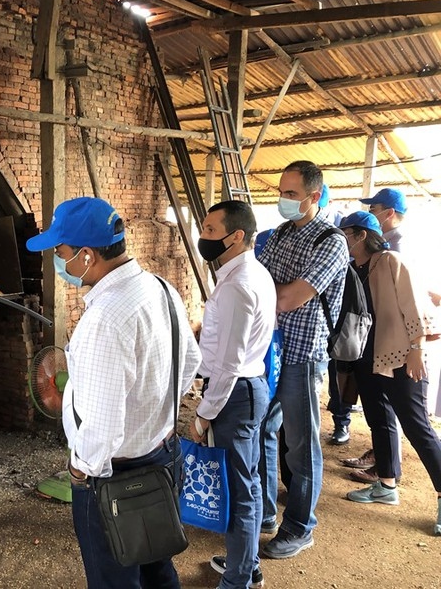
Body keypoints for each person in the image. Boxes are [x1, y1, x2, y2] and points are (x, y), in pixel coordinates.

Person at [25, 196, 201, 588]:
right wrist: (155, 416)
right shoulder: (160, 288)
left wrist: (80, 469)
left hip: (115, 475)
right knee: (157, 565)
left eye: (61, 252)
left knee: (114, 579)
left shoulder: (105, 317)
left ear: (86, 256)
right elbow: (189, 362)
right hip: (164, 455)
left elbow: (102, 424)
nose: (58, 260)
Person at [257, 161, 348, 559]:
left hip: (303, 355)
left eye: (291, 194)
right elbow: (258, 288)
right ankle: (262, 512)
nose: (283, 200)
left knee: (300, 444)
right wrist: (267, 290)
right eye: (281, 191)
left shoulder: (331, 241)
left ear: (314, 196)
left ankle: (299, 526)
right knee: (260, 428)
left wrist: (269, 290)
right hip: (270, 352)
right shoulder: (278, 234)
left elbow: (286, 297)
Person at [337, 212, 441, 536]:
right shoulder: (354, 269)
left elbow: (414, 305)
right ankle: (386, 484)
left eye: (345, 234)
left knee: (417, 426)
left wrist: (417, 349)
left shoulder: (390, 261)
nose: (342, 240)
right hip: (367, 358)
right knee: (379, 420)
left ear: (360, 235)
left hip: (399, 356)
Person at [192, 201, 276, 589]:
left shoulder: (238, 286)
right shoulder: (249, 273)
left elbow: (228, 362)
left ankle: (239, 578)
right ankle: (247, 563)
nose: (203, 237)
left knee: (241, 490)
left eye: (210, 230)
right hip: (246, 389)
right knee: (246, 481)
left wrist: (205, 412)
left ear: (236, 236)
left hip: (234, 394)